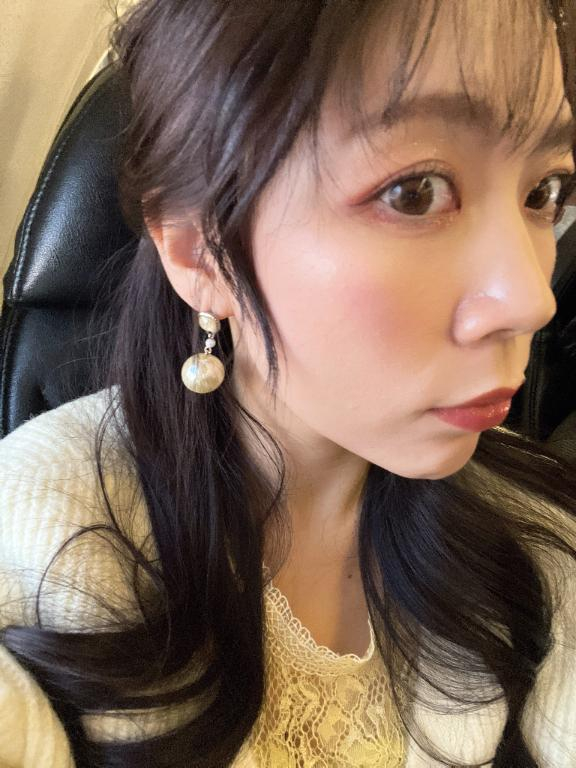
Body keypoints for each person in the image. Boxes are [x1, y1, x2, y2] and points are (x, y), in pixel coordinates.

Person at [1, 0, 576, 766]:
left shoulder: (540, 537)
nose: (533, 299)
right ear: (200, 253)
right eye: (414, 191)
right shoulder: (34, 550)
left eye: (545, 192)